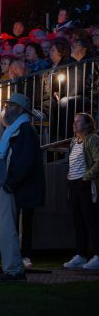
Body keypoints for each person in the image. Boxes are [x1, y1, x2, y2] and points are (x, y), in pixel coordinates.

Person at [0, 93, 44, 282]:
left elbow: (24, 161)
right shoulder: (16, 128)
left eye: (10, 105)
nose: (6, 108)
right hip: (6, 186)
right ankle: (12, 268)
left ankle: (14, 271)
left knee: (8, 229)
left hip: (10, 187)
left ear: (20, 109)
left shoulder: (24, 130)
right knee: (6, 229)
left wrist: (9, 183)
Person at [63, 113, 99, 270]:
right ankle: (81, 255)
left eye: (78, 121)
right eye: (74, 121)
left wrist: (86, 177)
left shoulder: (92, 139)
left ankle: (97, 255)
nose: (74, 124)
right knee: (78, 221)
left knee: (91, 220)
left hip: (85, 183)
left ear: (87, 124)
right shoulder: (73, 141)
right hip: (73, 184)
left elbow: (98, 161)